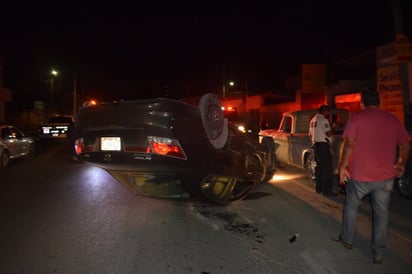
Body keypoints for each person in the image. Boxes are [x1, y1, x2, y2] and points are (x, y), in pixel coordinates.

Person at [338, 88, 410, 264]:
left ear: (362, 103)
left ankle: (347, 240)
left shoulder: (357, 118)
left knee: (351, 206)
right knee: (381, 213)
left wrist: (343, 166)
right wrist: (401, 163)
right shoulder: (392, 119)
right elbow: (406, 144)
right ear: (380, 102)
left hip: (360, 176)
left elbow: (348, 144)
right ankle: (378, 254)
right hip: (385, 178)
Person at [309, 104, 336, 196]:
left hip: (316, 146)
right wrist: (335, 127)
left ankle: (318, 188)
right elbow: (328, 133)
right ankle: (327, 191)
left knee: (319, 169)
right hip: (323, 147)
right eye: (328, 112)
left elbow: (310, 134)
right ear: (325, 111)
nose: (328, 114)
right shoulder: (323, 120)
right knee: (327, 170)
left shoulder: (313, 120)